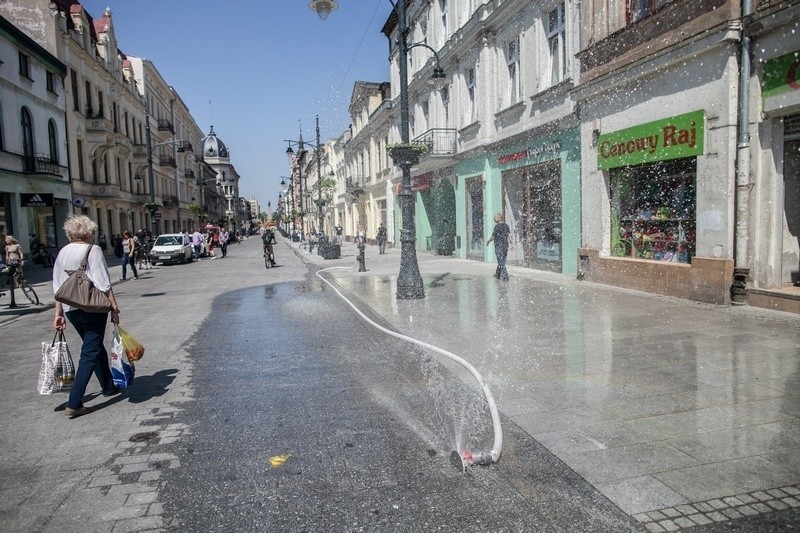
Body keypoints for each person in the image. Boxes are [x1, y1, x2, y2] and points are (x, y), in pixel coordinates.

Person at [52, 214, 121, 418]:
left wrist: (58, 312)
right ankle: (74, 403)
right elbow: (103, 282)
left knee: (94, 345)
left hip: (71, 308)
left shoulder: (63, 251)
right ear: (90, 232)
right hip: (92, 307)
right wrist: (114, 308)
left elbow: (58, 285)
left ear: (69, 232)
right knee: (90, 352)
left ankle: (108, 386)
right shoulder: (93, 249)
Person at [486, 212, 510, 281]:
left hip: (498, 245)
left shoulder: (497, 227)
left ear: (499, 218)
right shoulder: (506, 226)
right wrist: (511, 243)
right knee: (502, 260)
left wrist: (488, 241)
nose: (494, 219)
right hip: (505, 245)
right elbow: (509, 235)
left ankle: (505, 276)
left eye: (495, 217)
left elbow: (493, 237)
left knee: (501, 261)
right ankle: (498, 274)